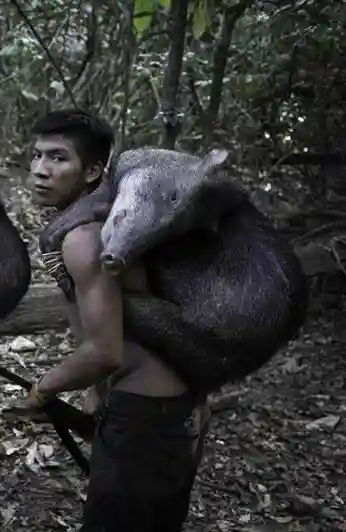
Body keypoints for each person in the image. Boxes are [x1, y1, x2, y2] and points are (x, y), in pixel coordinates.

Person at [12, 109, 210, 531]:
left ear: (92, 171)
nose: (39, 170)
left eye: (57, 158)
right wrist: (96, 399)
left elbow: (103, 351)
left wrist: (43, 388)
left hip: (147, 417)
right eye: (37, 156)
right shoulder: (114, 219)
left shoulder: (87, 238)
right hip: (177, 404)